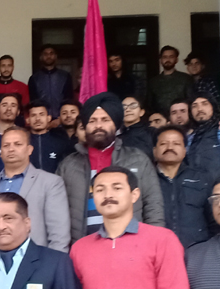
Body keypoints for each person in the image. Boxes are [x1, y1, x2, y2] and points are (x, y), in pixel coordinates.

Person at [57, 93, 165, 243]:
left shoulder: (138, 160)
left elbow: (153, 207)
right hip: (83, 249)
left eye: (105, 120)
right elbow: (57, 214)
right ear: (85, 126)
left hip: (132, 247)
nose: (98, 126)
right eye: (92, 121)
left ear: (116, 125)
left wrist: (154, 244)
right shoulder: (68, 165)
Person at [0, 127, 70, 259]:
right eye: (6, 145)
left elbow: (59, 234)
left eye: (18, 144)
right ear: (0, 152)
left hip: (34, 264)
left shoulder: (50, 182)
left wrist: (52, 268)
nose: (11, 149)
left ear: (29, 150)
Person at [154, 126, 217, 249]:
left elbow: (214, 220)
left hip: (198, 252)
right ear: (154, 151)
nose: (170, 147)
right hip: (157, 253)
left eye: (176, 143)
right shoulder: (147, 180)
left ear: (184, 150)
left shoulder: (202, 179)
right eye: (163, 143)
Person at [26, 100, 74, 174]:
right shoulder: (23, 142)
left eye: (41, 114)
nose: (37, 118)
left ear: (49, 118)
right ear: (28, 120)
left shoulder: (60, 142)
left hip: (55, 184)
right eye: (33, 115)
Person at [147, 46, 193, 116]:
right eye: (165, 57)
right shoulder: (153, 82)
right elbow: (149, 105)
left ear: (176, 59)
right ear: (160, 60)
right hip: (160, 120)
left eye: (171, 57)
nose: (168, 59)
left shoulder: (186, 79)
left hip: (181, 117)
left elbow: (191, 101)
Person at [28, 46, 73, 118]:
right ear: (41, 57)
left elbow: (69, 100)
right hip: (42, 119)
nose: (48, 56)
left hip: (61, 119)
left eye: (51, 53)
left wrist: (60, 119)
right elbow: (34, 102)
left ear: (55, 56)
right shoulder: (34, 78)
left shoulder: (65, 76)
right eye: (45, 54)